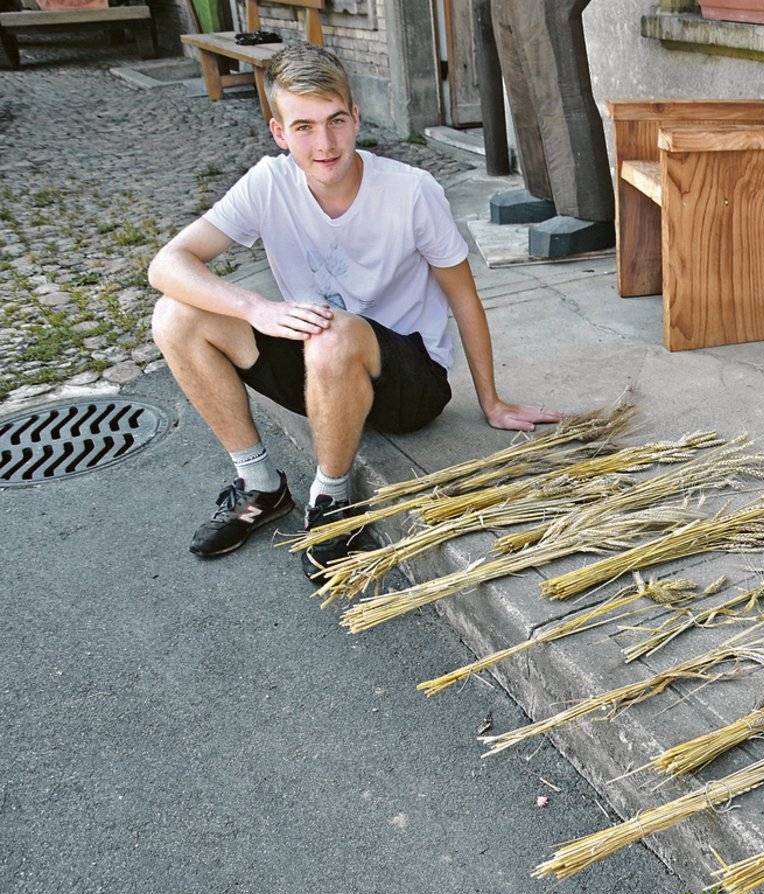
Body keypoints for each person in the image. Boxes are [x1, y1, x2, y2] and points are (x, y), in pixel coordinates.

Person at [148, 41, 561, 580]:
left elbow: (463, 296)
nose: (325, 143)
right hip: (323, 368)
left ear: (355, 118)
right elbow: (167, 264)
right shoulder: (269, 184)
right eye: (303, 127)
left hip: (409, 383)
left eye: (336, 121)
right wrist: (254, 308)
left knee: (333, 331)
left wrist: (492, 399)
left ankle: (335, 500)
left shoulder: (412, 191)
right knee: (174, 316)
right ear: (278, 133)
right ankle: (261, 485)